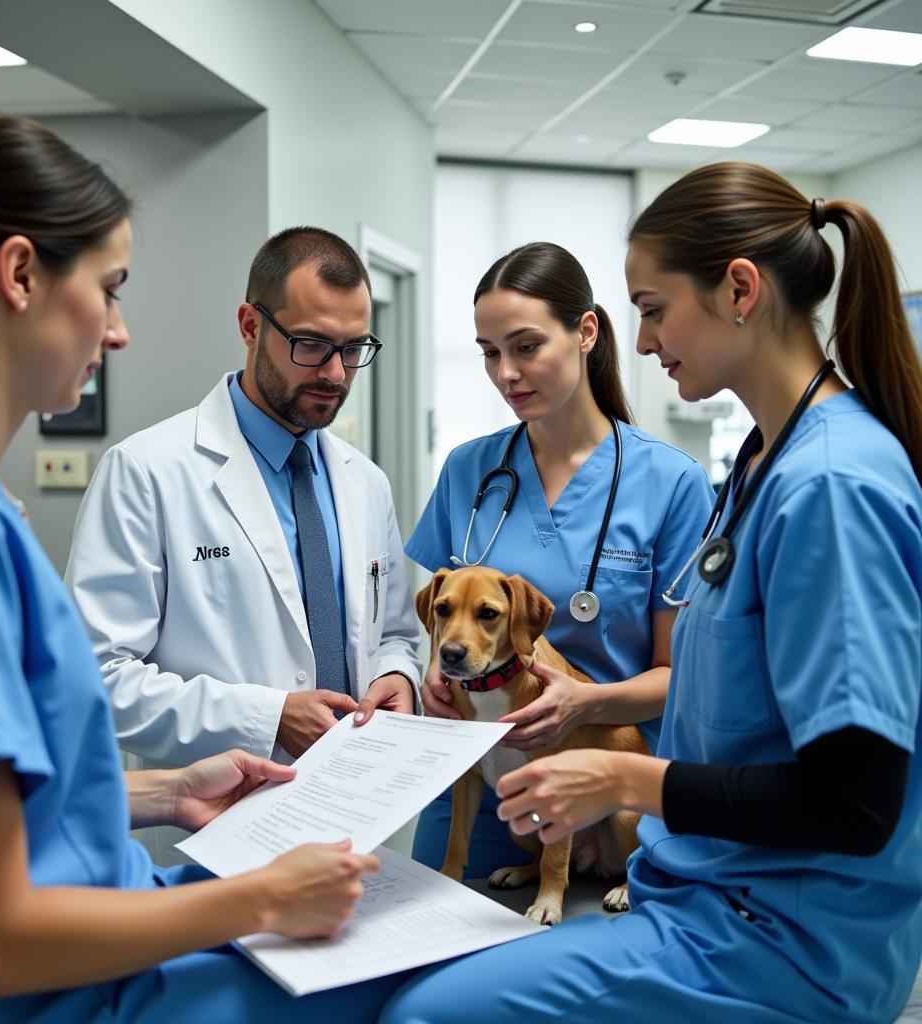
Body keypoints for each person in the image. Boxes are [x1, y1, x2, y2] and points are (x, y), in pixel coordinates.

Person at [380, 164, 922, 1024]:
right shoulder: (758, 466)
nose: (641, 342)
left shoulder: (827, 484)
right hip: (692, 877)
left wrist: (622, 776)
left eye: (653, 309)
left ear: (740, 289)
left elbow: (854, 800)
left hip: (768, 923)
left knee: (423, 1014)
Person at [0, 116, 411, 1022]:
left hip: (120, 907)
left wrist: (170, 792)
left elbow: (9, 792)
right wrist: (259, 899)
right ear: (19, 275)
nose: (122, 331)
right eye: (111, 288)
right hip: (65, 988)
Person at [65, 227, 421, 788]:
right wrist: (266, 716)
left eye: (353, 349)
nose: (335, 373)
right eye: (311, 345)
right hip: (211, 820)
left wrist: (400, 674)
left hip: (350, 800)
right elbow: (96, 676)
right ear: (250, 326)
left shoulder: (366, 483)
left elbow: (396, 633)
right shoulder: (146, 471)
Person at [405, 242, 715, 877]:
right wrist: (433, 679)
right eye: (489, 353)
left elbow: (677, 679)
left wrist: (583, 704)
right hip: (473, 791)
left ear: (586, 332)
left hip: (600, 798)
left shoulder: (670, 482)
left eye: (525, 346)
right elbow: (438, 625)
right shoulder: (470, 471)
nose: (506, 374)